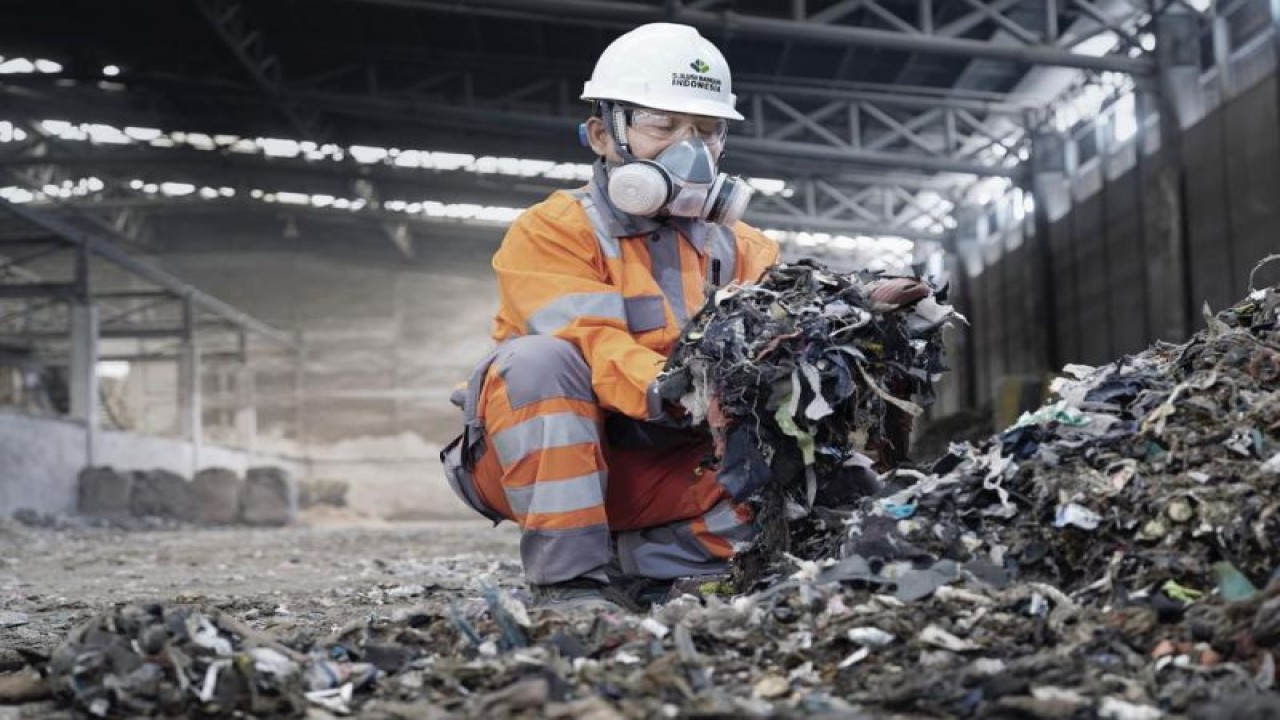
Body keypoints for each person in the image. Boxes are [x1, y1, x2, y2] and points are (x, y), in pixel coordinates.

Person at [440, 22, 781, 612]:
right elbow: (587, 343)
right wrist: (680, 386)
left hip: (673, 467)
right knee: (539, 360)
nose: (689, 149)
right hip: (555, 462)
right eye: (662, 125)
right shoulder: (554, 230)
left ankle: (645, 568)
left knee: (809, 470)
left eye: (706, 131)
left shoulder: (745, 248)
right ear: (603, 134)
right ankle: (568, 583)